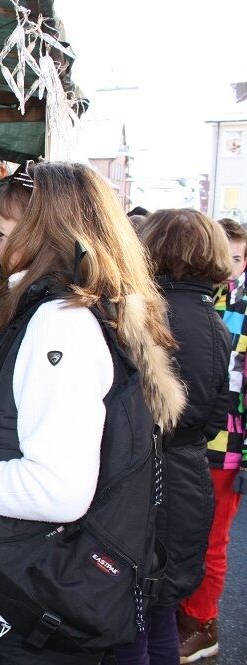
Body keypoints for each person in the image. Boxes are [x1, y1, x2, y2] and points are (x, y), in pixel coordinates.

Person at [0, 162, 185, 664]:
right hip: (31, 590)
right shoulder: (65, 310)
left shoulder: (61, 324)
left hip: (30, 606)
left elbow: (57, 491)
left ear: (45, 234)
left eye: (0, 231)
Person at [112, 209, 231, 665]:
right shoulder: (216, 326)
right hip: (188, 481)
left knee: (129, 626)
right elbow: (215, 417)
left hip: (144, 484)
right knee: (161, 616)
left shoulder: (145, 314)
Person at [178, 217, 247, 662]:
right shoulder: (201, 296)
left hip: (228, 441)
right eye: (225, 255)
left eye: (238, 257)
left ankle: (202, 624)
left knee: (213, 539)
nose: (229, 265)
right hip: (193, 436)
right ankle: (188, 615)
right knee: (186, 533)